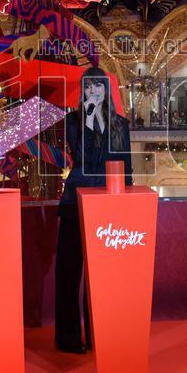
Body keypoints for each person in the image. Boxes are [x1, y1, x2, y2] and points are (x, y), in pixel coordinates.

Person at [55, 66, 133, 354]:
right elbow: (83, 156)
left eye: (98, 86)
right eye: (88, 87)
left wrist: (127, 205)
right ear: (83, 90)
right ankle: (69, 338)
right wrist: (89, 118)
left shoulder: (120, 125)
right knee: (68, 272)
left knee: (103, 278)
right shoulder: (73, 121)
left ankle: (101, 337)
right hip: (75, 203)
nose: (93, 92)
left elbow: (127, 169)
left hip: (109, 206)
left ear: (107, 89)